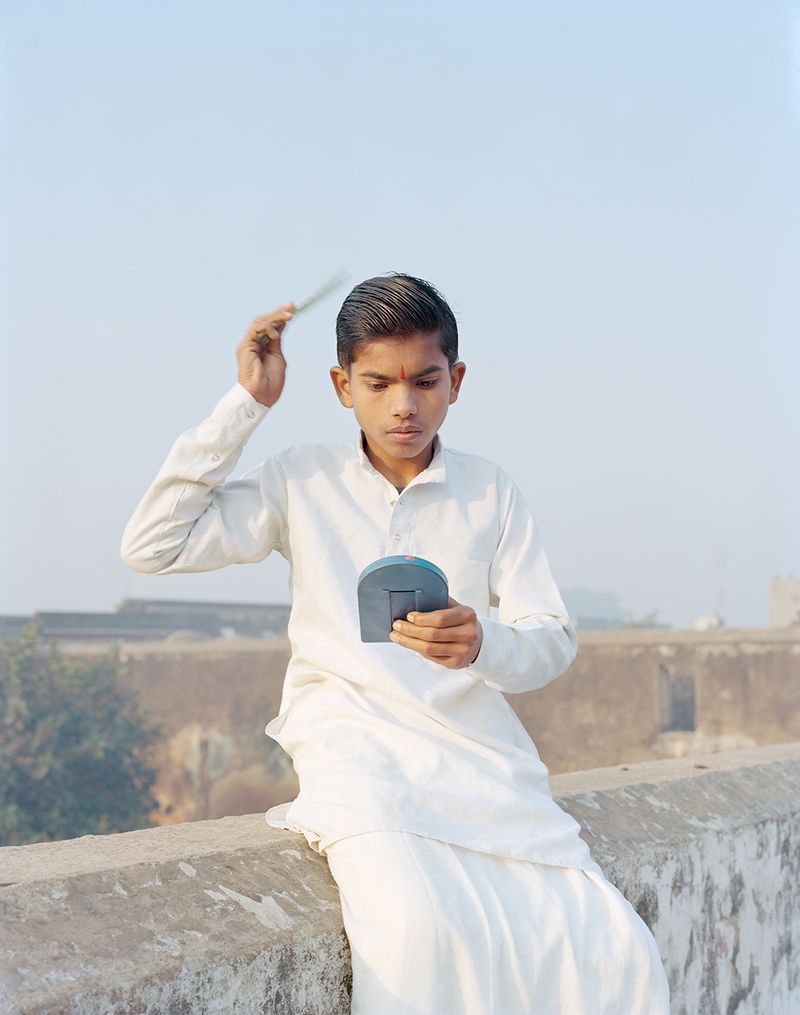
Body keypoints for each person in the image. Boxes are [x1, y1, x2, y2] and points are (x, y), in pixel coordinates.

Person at [121, 273, 671, 1014]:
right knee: (413, 932)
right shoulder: (301, 479)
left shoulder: (491, 491)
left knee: (611, 949)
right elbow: (153, 546)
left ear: (456, 381)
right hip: (356, 757)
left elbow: (551, 641)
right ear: (343, 385)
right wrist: (248, 401)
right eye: (378, 383)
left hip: (483, 762)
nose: (404, 404)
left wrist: (482, 642)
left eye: (425, 380)